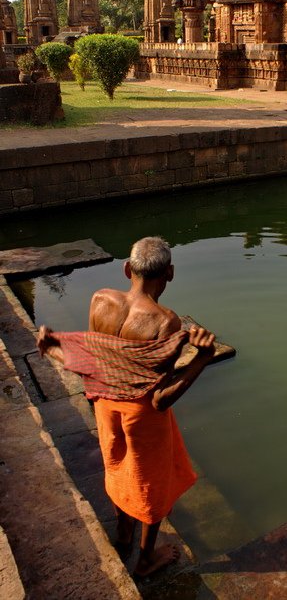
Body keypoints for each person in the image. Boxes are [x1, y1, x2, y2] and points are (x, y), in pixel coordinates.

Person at [37, 236, 216, 577]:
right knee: (152, 482)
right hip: (141, 417)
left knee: (118, 465)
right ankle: (146, 558)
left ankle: (123, 534)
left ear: (126, 269)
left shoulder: (100, 299)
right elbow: (159, 398)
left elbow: (97, 362)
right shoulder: (166, 323)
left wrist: (55, 346)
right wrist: (202, 358)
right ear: (171, 273)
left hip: (105, 405)